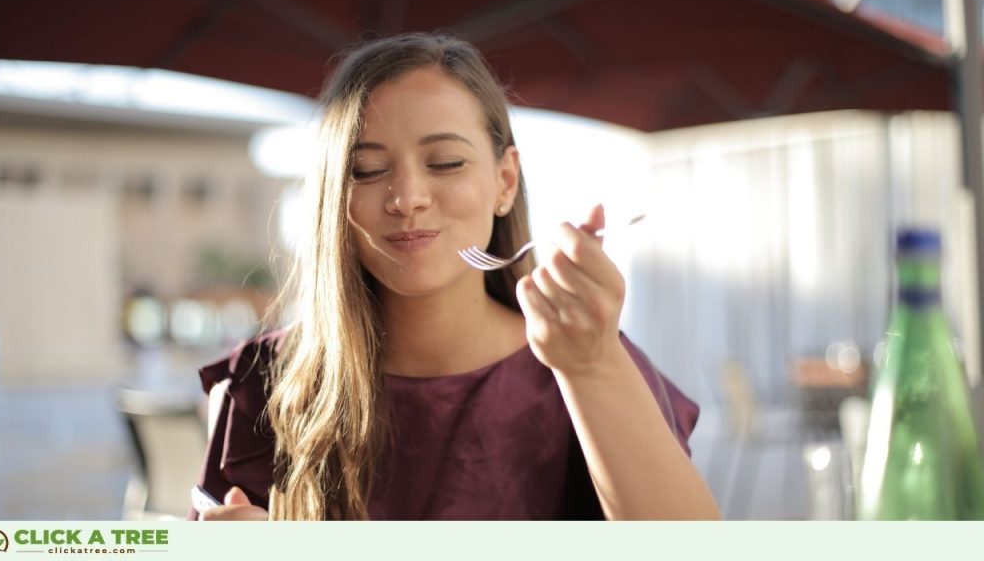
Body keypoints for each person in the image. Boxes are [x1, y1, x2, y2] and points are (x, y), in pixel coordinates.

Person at [191, 32, 720, 521]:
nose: (408, 199)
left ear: (505, 182)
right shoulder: (261, 385)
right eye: (368, 170)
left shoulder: (587, 362)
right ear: (334, 198)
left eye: (444, 162)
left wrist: (592, 365)